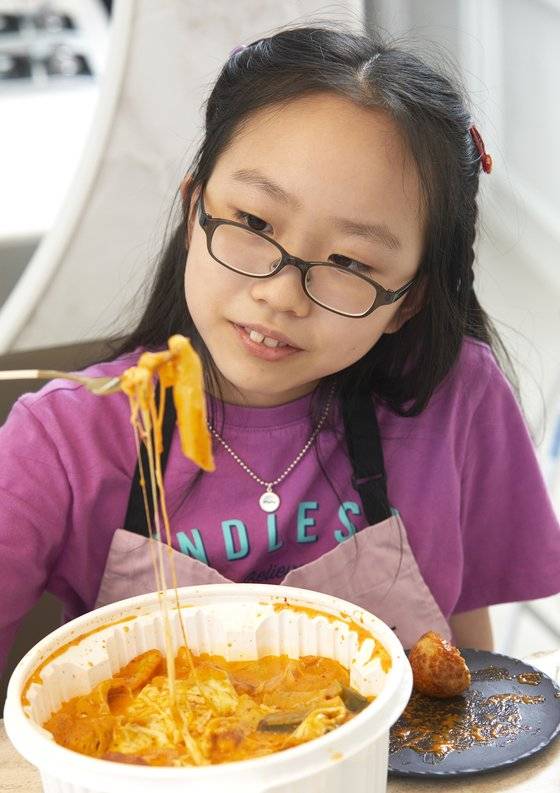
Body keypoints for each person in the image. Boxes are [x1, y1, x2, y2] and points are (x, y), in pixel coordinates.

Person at [1, 24, 559, 674]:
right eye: (254, 224)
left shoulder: (454, 396)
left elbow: (470, 672)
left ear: (409, 298)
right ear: (193, 212)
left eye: (349, 261)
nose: (282, 293)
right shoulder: (59, 441)